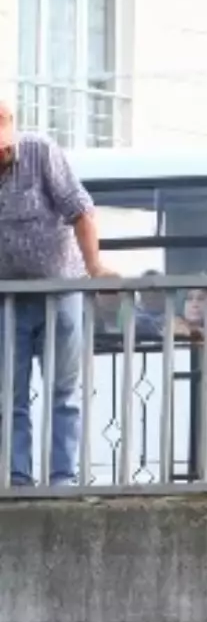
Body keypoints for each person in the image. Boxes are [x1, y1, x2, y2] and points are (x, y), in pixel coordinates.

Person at [0, 101, 116, 486]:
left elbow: (81, 211)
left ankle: (62, 478)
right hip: (9, 298)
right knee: (10, 395)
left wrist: (95, 265)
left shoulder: (40, 152)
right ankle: (17, 477)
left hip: (60, 291)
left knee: (64, 391)